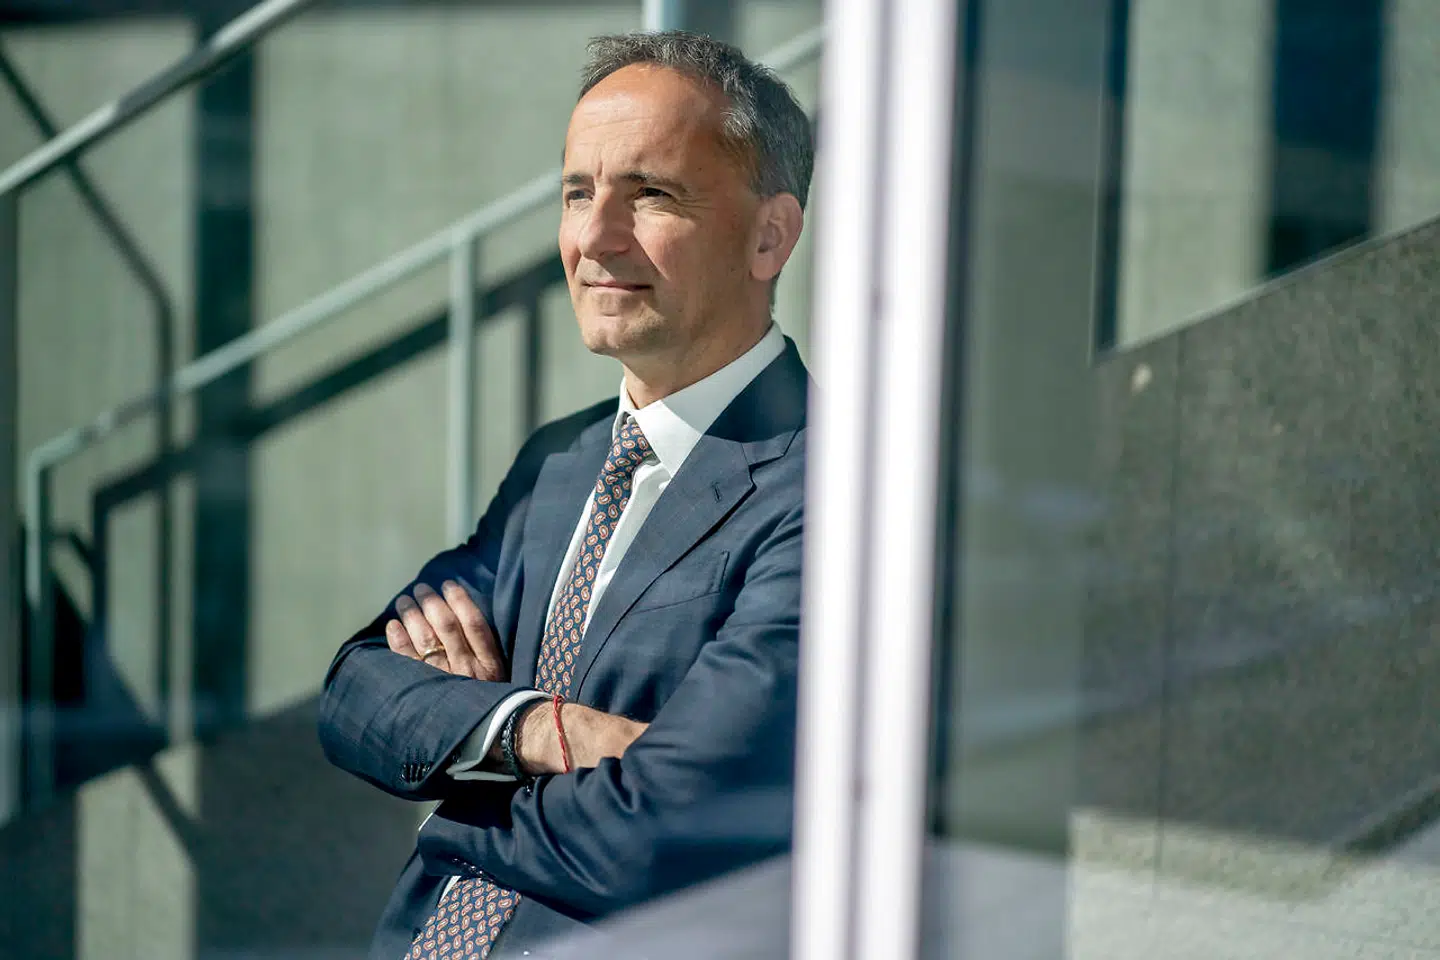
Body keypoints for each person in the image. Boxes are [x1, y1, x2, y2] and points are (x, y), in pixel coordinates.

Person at [317, 30, 814, 960]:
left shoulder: (824, 490)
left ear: (768, 236)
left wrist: (449, 797)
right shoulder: (561, 461)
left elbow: (663, 830)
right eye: (578, 192)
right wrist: (539, 729)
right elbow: (355, 691)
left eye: (650, 194)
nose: (593, 237)